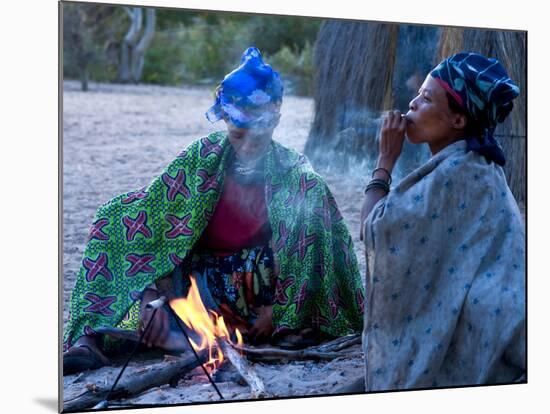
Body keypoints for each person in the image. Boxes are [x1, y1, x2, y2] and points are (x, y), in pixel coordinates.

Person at [63, 47, 364, 375]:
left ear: (276, 120)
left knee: (302, 218)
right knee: (113, 219)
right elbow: (154, 221)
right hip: (197, 287)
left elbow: (309, 252)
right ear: (224, 120)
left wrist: (274, 307)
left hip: (260, 295)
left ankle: (209, 339)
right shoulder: (200, 158)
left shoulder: (297, 175)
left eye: (258, 134)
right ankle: (90, 342)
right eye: (238, 134)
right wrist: (151, 290)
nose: (248, 144)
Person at [357, 52, 525, 391]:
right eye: (418, 94)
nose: (412, 103)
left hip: (484, 343)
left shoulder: (453, 175)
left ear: (459, 120)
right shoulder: (477, 164)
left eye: (426, 98)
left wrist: (385, 159)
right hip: (499, 329)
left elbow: (372, 229)